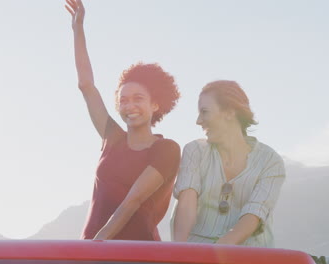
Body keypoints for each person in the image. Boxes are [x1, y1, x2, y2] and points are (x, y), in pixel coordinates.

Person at [65, 0, 181, 241]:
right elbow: (86, 85)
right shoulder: (112, 138)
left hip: (137, 252)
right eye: (123, 100)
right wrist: (78, 30)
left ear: (155, 104)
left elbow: (132, 201)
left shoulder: (167, 149)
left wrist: (96, 245)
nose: (130, 106)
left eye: (138, 98)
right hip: (92, 250)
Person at [171, 80, 285, 247]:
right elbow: (186, 205)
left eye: (204, 112)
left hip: (248, 256)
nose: (198, 120)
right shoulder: (195, 151)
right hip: (196, 255)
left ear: (230, 112)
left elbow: (253, 215)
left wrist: (215, 255)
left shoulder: (270, 161)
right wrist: (179, 253)